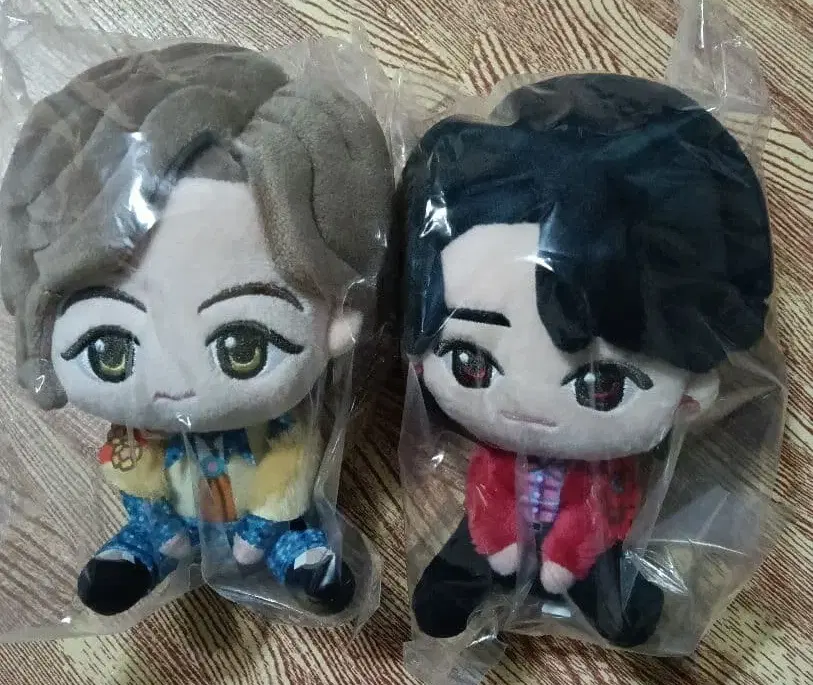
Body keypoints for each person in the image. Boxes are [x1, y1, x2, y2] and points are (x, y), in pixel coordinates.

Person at [0, 43, 392, 617]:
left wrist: (257, 533)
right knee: (147, 526)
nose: (177, 384)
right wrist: (161, 527)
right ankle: (147, 552)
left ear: (336, 323)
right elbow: (137, 481)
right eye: (110, 349)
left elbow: (286, 474)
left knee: (294, 529)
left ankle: (296, 557)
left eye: (243, 346)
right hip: (177, 517)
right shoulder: (139, 436)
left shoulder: (284, 428)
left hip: (265, 517)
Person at [401, 74, 772, 645]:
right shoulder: (495, 456)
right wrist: (500, 544)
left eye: (602, 386)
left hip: (586, 539)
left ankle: (593, 583)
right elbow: (488, 496)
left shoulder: (608, 466)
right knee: (470, 552)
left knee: (605, 566)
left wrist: (564, 559)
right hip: (497, 529)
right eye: (471, 362)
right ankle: (485, 569)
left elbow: (597, 510)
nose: (528, 406)